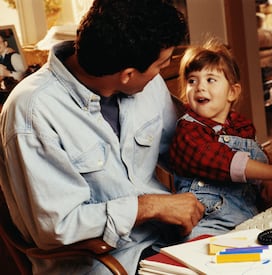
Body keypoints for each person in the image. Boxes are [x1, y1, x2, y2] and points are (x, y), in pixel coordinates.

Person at [0, 0, 205, 274]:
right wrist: (147, 206)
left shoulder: (144, 79)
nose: (162, 71)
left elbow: (187, 149)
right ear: (127, 75)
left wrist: (247, 178)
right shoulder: (32, 111)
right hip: (105, 263)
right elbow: (56, 227)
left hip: (168, 243)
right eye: (162, 64)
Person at [169, 39, 272, 240]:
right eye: (192, 80)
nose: (199, 87)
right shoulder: (188, 130)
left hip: (246, 217)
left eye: (210, 79)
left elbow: (258, 162)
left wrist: (267, 183)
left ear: (232, 92)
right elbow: (231, 164)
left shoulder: (241, 126)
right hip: (207, 223)